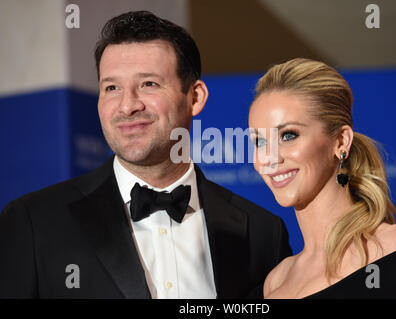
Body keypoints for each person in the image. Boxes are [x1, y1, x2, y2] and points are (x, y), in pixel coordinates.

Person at [0, 11, 292, 299]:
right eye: (112, 88)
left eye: (148, 84)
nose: (127, 106)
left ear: (195, 97)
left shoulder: (262, 233)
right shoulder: (34, 222)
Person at [248, 57, 396, 299]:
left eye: (288, 135)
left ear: (341, 141)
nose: (269, 158)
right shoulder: (275, 282)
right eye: (259, 141)